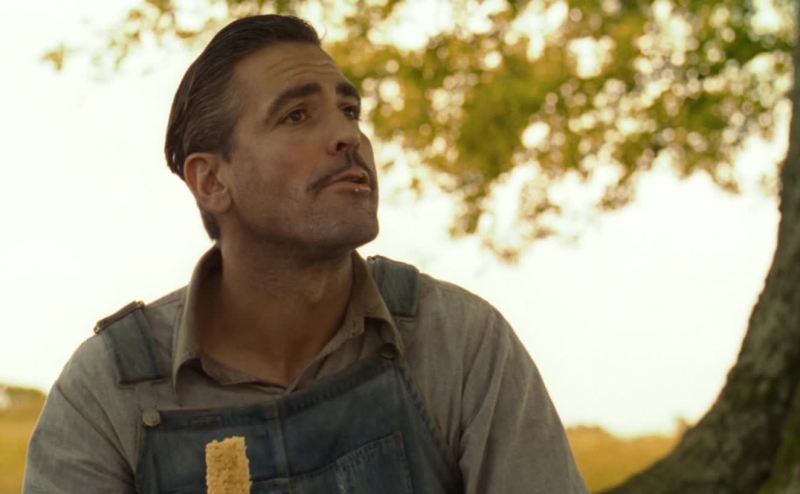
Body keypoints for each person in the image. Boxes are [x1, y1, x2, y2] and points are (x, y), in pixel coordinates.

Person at [24, 14, 588, 494]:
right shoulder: (108, 394)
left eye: (350, 111)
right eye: (296, 116)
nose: (349, 137)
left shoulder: (458, 343)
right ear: (212, 181)